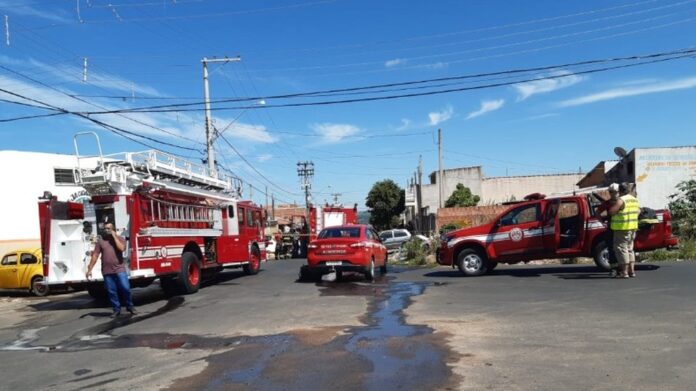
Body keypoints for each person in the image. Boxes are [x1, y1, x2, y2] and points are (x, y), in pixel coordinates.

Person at [86, 222, 137, 317]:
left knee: (125, 288)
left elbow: (121, 248)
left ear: (113, 229)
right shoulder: (100, 242)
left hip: (119, 269)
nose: (106, 230)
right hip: (107, 271)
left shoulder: (121, 239)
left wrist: (114, 237)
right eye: (105, 229)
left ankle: (130, 306)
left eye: (109, 229)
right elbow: (95, 255)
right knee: (111, 291)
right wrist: (90, 269)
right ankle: (116, 309)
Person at [607, 182, 641, 278]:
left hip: (622, 228)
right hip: (633, 227)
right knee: (630, 249)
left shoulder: (621, 200)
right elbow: (639, 211)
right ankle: (632, 271)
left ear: (620, 191)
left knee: (622, 249)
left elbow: (612, 211)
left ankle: (624, 272)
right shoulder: (634, 200)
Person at [595, 183, 620, 277]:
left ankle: (624, 269)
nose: (613, 194)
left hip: (622, 229)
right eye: (611, 192)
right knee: (612, 248)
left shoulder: (622, 202)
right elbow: (598, 212)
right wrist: (603, 222)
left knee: (622, 249)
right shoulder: (607, 203)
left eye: (615, 192)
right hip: (612, 229)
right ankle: (614, 269)